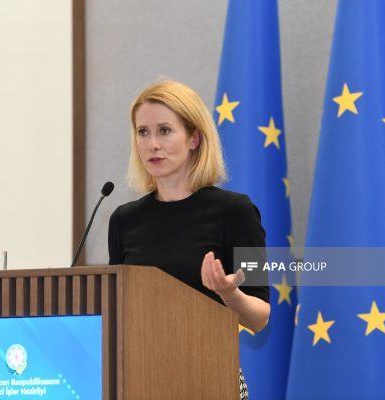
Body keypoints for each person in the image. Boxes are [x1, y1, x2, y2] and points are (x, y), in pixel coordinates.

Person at [108, 80, 270, 398]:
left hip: (211, 380)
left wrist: (228, 293)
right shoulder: (124, 220)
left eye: (165, 131)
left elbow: (259, 318)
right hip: (141, 382)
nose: (152, 144)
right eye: (143, 132)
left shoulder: (235, 212)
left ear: (194, 138)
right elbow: (117, 311)